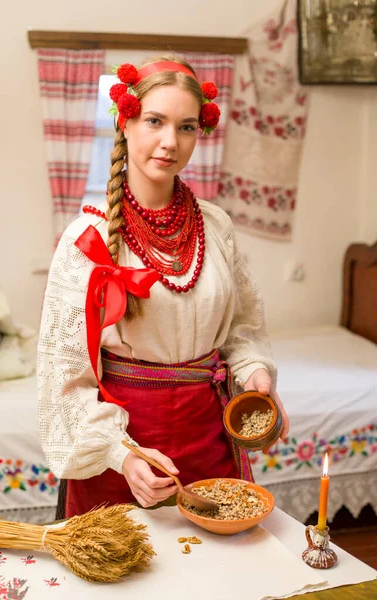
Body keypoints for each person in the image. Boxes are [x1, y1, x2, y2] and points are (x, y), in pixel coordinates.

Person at [37, 55, 289, 519]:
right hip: (126, 453)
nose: (170, 142)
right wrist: (121, 455)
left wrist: (255, 373)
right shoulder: (87, 240)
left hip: (211, 440)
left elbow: (241, 329)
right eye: (155, 121)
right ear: (125, 121)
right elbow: (65, 379)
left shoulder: (216, 226)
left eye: (187, 126)